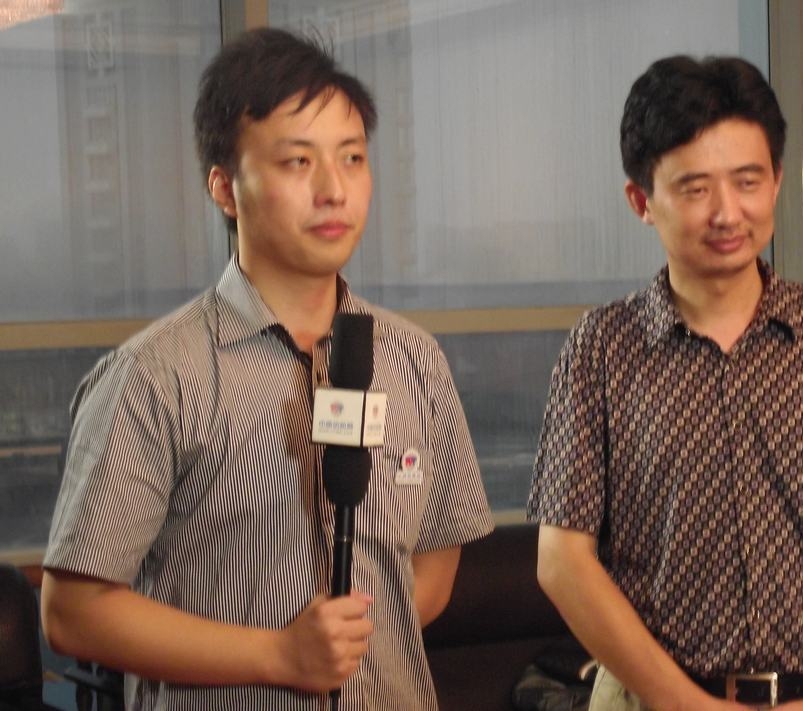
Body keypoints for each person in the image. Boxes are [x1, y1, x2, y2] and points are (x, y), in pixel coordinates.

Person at [41, 27, 493, 711]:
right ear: (225, 188)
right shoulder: (154, 375)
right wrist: (279, 654)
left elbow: (435, 555)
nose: (334, 189)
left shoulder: (413, 358)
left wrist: (352, 634)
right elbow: (73, 611)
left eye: (352, 157)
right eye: (297, 162)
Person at [527, 55, 803, 711]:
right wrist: (687, 704)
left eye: (747, 181)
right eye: (694, 188)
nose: (727, 213)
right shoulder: (601, 347)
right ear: (641, 201)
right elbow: (561, 560)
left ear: (777, 182)